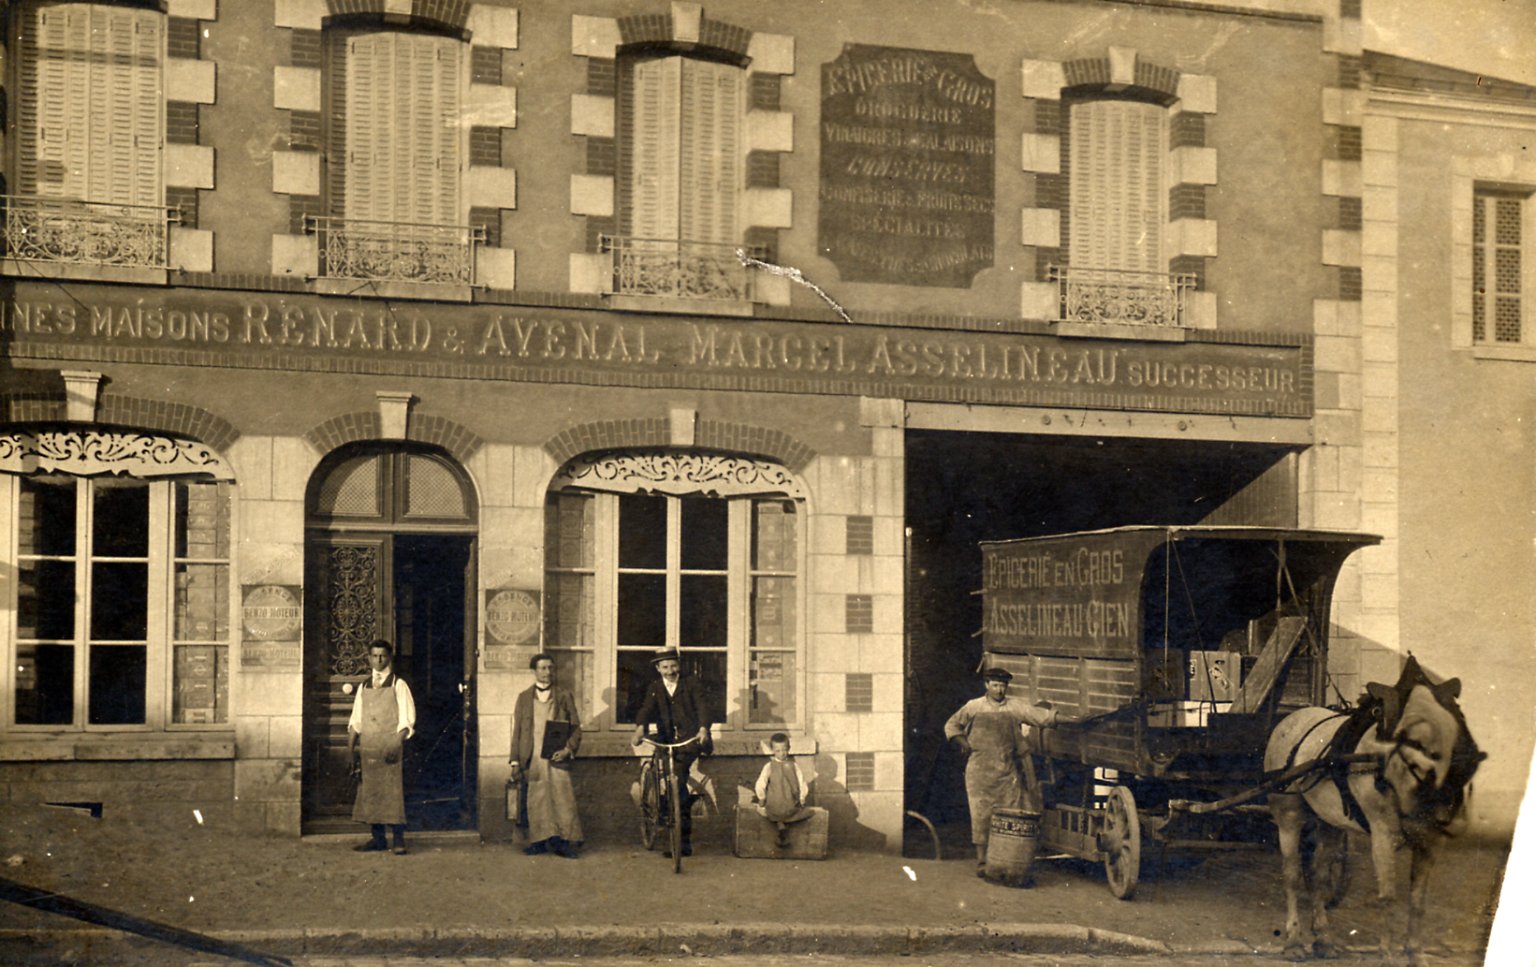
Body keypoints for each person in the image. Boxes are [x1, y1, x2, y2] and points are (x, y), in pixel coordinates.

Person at [944, 666, 1060, 876]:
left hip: (1007, 773)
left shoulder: (1015, 707)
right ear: (987, 685)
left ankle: (1006, 858)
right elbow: (951, 726)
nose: (999, 690)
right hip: (979, 773)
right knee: (981, 816)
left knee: (1011, 815)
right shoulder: (973, 707)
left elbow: (1042, 717)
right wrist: (964, 743)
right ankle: (982, 861)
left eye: (1003, 686)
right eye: (995, 685)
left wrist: (1074, 720)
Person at [631, 647, 713, 857]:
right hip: (666, 739)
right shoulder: (655, 687)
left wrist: (703, 728)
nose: (670, 671)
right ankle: (667, 805)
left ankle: (682, 842)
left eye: (673, 666)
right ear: (658, 669)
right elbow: (646, 709)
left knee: (677, 779)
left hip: (690, 739)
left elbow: (703, 706)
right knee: (670, 780)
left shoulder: (691, 683)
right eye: (665, 667)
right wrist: (640, 728)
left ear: (679, 666)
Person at [509, 652, 584, 859]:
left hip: (556, 756)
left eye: (550, 668)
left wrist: (568, 749)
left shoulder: (563, 696)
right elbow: (517, 732)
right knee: (536, 799)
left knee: (562, 798)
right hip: (532, 757)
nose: (547, 672)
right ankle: (539, 841)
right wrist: (515, 761)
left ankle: (563, 841)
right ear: (534, 671)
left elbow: (576, 728)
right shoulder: (524, 698)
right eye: (543, 668)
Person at [348, 640, 415, 855]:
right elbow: (356, 721)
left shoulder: (398, 684)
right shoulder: (364, 686)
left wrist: (396, 742)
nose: (378, 660)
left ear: (389, 657)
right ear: (369, 658)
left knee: (392, 794)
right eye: (375, 656)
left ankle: (398, 839)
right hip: (369, 748)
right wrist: (351, 751)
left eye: (383, 656)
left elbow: (407, 720)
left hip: (390, 748)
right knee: (371, 793)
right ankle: (378, 839)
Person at [753, 732, 813, 849]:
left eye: (784, 750)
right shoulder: (770, 766)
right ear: (772, 750)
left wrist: (802, 797)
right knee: (799, 811)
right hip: (780, 803)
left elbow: (801, 782)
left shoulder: (793, 766)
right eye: (778, 750)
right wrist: (762, 797)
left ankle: (781, 825)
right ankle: (783, 826)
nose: (781, 753)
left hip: (783, 804)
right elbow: (761, 783)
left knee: (768, 811)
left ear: (789, 748)